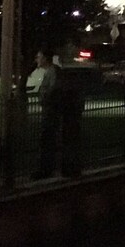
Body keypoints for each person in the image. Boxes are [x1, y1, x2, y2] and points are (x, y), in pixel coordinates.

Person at [31, 50, 82, 179]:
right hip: (53, 111)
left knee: (48, 140)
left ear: (45, 59)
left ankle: (48, 170)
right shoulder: (53, 72)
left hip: (51, 112)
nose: (36, 59)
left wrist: (45, 100)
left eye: (39, 57)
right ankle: (61, 168)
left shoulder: (53, 73)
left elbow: (52, 91)